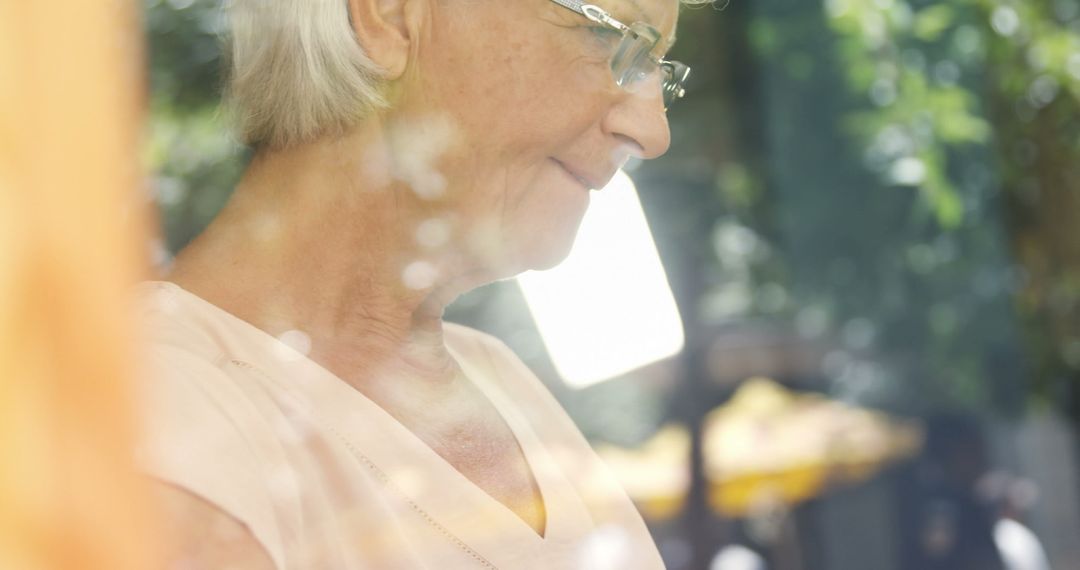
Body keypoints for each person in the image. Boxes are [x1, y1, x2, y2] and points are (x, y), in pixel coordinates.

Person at [139, 0, 700, 568]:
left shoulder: (498, 375)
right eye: (613, 40)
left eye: (657, 66)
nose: (652, 131)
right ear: (390, 16)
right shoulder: (157, 412)